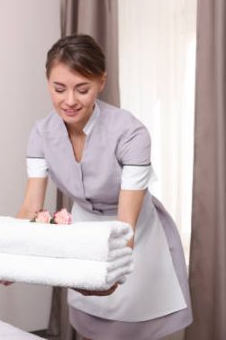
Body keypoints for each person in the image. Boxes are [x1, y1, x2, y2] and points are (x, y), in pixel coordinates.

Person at [15, 34, 193, 340]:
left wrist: (114, 271)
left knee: (137, 324)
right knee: (92, 326)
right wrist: (12, 257)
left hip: (135, 233)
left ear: (101, 82)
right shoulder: (41, 134)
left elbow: (126, 222)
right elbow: (31, 207)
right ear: (48, 82)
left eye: (82, 89)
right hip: (85, 232)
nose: (69, 101)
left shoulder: (130, 133)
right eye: (59, 89)